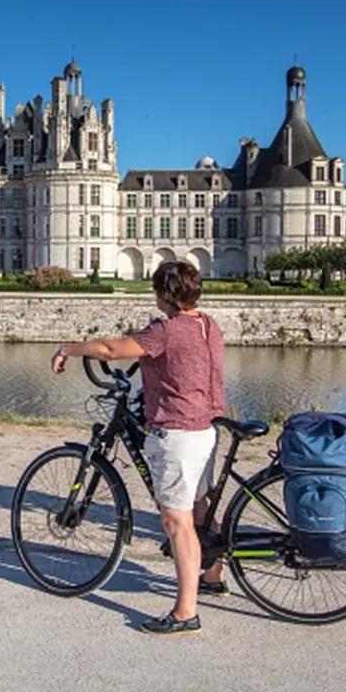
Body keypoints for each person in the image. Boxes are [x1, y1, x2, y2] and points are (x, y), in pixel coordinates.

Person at [51, 261, 226, 636]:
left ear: (165, 294)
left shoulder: (166, 330)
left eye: (157, 290)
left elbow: (109, 349)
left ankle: (185, 612)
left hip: (177, 432)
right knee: (199, 505)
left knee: (176, 521)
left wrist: (69, 348)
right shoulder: (208, 324)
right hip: (205, 429)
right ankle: (213, 575)